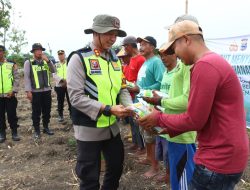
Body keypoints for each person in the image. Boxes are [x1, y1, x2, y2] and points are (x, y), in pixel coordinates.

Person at [138, 20, 249, 189]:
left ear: (186, 40)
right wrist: (172, 128)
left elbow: (194, 119)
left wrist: (158, 118)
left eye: (174, 48)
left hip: (217, 157)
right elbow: (203, 117)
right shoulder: (212, 62)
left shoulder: (204, 65)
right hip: (227, 154)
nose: (176, 55)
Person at [67, 14, 133, 190]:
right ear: (95, 33)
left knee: (116, 167)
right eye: (108, 33)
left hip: (111, 127)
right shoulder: (79, 58)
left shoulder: (114, 58)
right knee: (89, 176)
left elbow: (122, 88)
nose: (113, 38)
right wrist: (108, 109)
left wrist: (131, 108)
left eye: (115, 34)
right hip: (89, 127)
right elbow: (76, 97)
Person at [143, 49, 196, 188]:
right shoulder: (177, 67)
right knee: (176, 180)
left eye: (167, 53)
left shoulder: (187, 65)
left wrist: (161, 102)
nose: (163, 57)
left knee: (182, 182)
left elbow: (188, 100)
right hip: (173, 131)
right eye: (161, 55)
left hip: (182, 135)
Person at [129, 36, 165, 178]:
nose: (141, 47)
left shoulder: (156, 62)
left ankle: (155, 167)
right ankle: (149, 158)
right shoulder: (145, 62)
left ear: (152, 47)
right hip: (142, 103)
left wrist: (141, 90)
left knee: (151, 135)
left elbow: (160, 83)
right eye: (140, 44)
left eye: (144, 44)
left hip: (150, 105)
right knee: (146, 134)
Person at [24, 43, 56, 139]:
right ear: (33, 52)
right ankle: (37, 130)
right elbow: (27, 78)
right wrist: (28, 91)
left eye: (40, 50)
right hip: (35, 92)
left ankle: (46, 127)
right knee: (36, 112)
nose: (39, 52)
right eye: (37, 50)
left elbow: (54, 71)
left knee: (47, 110)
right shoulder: (29, 62)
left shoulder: (46, 61)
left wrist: (48, 61)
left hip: (46, 91)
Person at [122, 36, 145, 154]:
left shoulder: (141, 59)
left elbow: (141, 78)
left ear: (130, 46)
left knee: (137, 121)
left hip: (137, 93)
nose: (124, 49)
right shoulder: (131, 59)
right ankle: (136, 143)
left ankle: (142, 147)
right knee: (132, 121)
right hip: (129, 94)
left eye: (125, 46)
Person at [0, 45, 20, 143]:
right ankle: (2, 133)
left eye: (0, 51)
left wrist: (14, 90)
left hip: (10, 95)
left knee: (12, 114)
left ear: (3, 52)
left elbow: (16, 78)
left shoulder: (11, 64)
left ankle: (14, 132)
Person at [54, 50, 71, 123]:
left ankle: (72, 115)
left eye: (62, 54)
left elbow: (72, 73)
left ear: (64, 55)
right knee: (60, 101)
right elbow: (54, 74)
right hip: (59, 86)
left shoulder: (69, 63)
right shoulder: (56, 65)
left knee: (70, 101)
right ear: (58, 56)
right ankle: (60, 115)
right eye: (59, 55)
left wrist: (67, 81)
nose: (61, 56)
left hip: (69, 85)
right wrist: (62, 81)